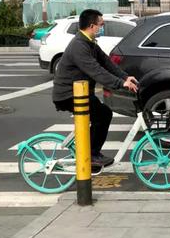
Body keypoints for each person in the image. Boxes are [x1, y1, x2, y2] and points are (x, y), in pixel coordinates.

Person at [52, 9, 138, 167]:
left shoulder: (89, 42)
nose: (102, 27)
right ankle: (91, 154)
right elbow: (96, 71)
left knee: (102, 114)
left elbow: (106, 62)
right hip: (68, 94)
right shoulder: (79, 46)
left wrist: (125, 77)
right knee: (103, 115)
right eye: (101, 24)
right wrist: (120, 84)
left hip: (81, 93)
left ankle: (89, 150)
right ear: (92, 26)